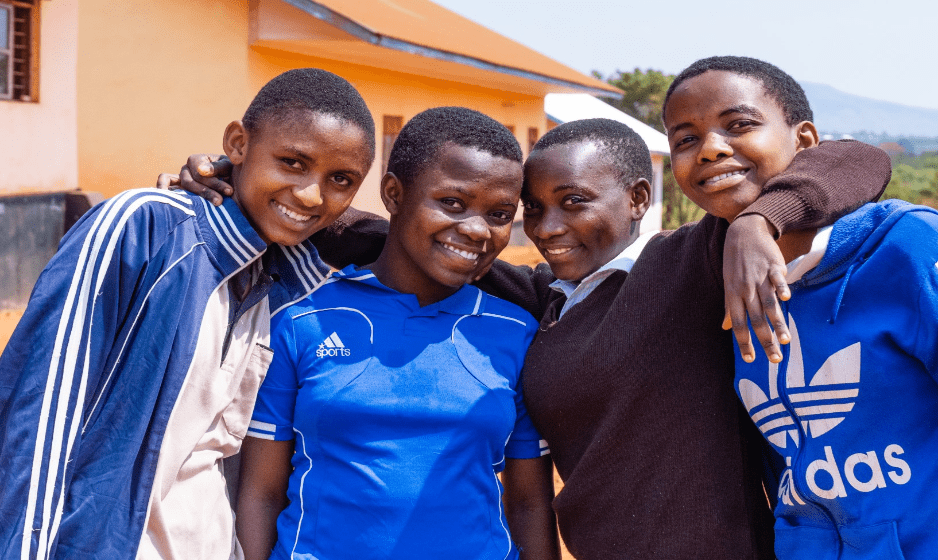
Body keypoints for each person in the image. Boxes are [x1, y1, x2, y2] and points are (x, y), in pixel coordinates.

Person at [168, 117, 891, 559]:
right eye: (534, 212)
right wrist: (248, 183)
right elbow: (420, 241)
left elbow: (859, 157)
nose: (546, 231)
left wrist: (761, 219)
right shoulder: (544, 301)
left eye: (572, 204)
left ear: (640, 200)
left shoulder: (687, 263)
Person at [0, 68, 376, 560]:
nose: (311, 194)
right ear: (236, 144)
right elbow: (41, 420)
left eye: (340, 180)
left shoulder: (294, 289)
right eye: (291, 162)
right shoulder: (144, 227)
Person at [665, 55, 938, 559]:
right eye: (685, 139)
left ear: (804, 142)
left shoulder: (911, 249)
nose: (710, 149)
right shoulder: (710, 280)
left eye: (739, 125)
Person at [235, 107, 558, 560]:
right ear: (393, 193)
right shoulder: (302, 319)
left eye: (500, 213)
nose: (475, 229)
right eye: (452, 203)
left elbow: (528, 503)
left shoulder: (516, 334)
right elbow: (260, 493)